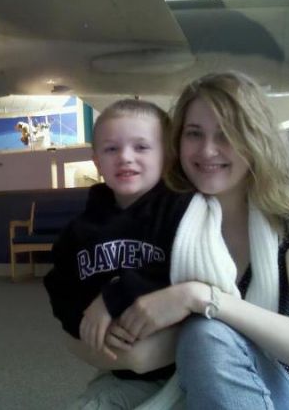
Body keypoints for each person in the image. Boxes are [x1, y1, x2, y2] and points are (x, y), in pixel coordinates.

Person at [106, 71, 289, 409]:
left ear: (255, 139)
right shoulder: (165, 218)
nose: (208, 150)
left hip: (288, 394)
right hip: (198, 389)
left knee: (206, 333)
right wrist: (100, 301)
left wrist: (204, 299)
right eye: (194, 134)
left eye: (227, 134)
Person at [43, 99, 193, 409]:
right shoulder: (80, 229)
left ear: (167, 156)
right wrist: (83, 323)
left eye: (141, 147)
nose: (125, 157)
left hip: (187, 370)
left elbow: (188, 270)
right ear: (96, 161)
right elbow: (60, 287)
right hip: (119, 373)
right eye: (111, 149)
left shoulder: (181, 210)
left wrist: (113, 297)